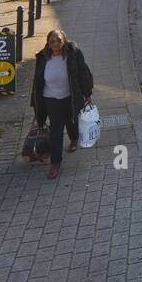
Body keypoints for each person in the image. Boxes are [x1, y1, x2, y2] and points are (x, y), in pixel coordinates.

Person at [29, 29, 95, 179]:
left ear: (64, 41)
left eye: (58, 40)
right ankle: (55, 163)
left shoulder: (74, 54)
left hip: (69, 96)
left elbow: (83, 73)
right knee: (56, 130)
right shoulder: (43, 57)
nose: (55, 43)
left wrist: (87, 94)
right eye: (52, 41)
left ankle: (74, 138)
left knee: (71, 121)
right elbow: (36, 81)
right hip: (50, 98)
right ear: (48, 42)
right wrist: (35, 103)